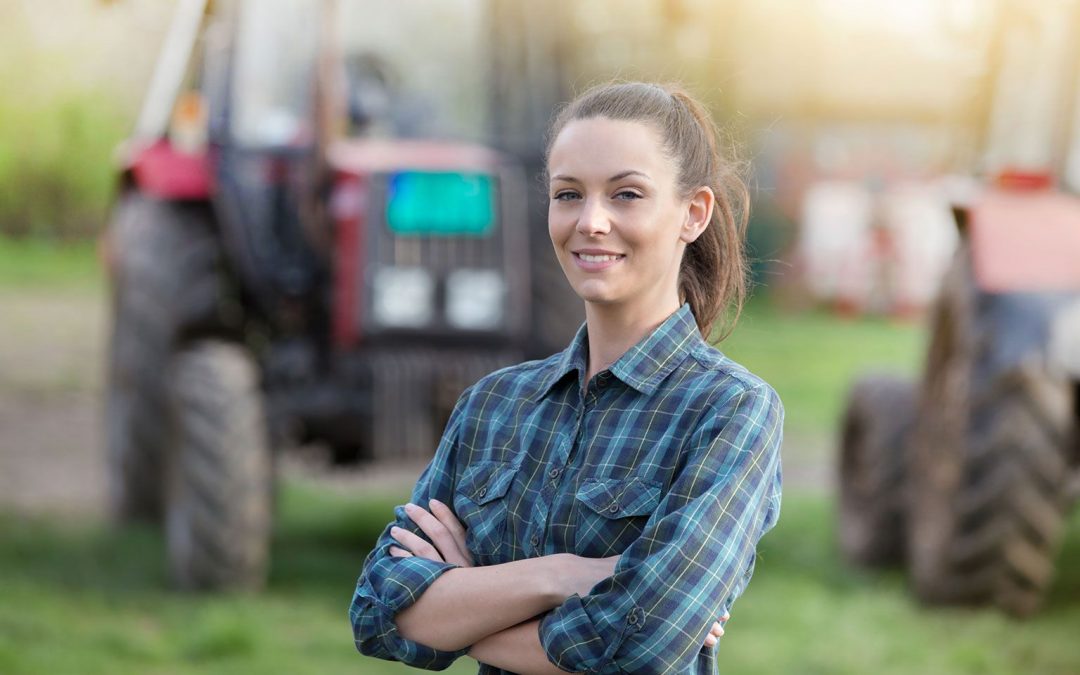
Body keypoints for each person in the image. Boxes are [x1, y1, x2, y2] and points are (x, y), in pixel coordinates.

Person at [350, 81, 784, 674]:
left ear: (693, 213)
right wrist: (554, 578)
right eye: (568, 194)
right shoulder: (493, 405)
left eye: (627, 194)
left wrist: (461, 606)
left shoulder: (730, 412)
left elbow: (639, 644)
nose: (591, 221)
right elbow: (378, 611)